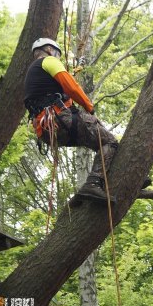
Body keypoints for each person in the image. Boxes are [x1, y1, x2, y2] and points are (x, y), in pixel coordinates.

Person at [23, 37, 123, 203]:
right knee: (109, 142)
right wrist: (89, 106)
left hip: (47, 131)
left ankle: (81, 196)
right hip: (60, 119)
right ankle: (92, 184)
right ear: (49, 50)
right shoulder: (48, 61)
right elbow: (72, 86)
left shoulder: (34, 74)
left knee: (98, 145)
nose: (57, 57)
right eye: (56, 53)